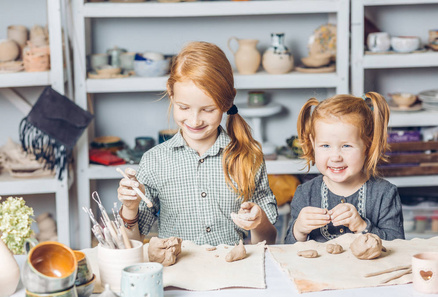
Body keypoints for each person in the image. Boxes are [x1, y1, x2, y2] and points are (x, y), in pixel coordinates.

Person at [117, 41, 278, 246]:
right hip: (176, 274)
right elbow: (131, 243)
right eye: (183, 108)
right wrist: (130, 208)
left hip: (230, 272)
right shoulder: (154, 161)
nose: (194, 121)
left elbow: (268, 240)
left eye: (208, 110)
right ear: (171, 93)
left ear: (227, 102)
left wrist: (258, 221)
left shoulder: (248, 157)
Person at [285, 92, 405, 243]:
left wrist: (362, 226)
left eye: (346, 146)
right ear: (312, 143)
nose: (336, 157)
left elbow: (398, 245)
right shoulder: (305, 193)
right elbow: (288, 249)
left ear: (368, 145)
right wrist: (299, 230)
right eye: (325, 145)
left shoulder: (385, 193)